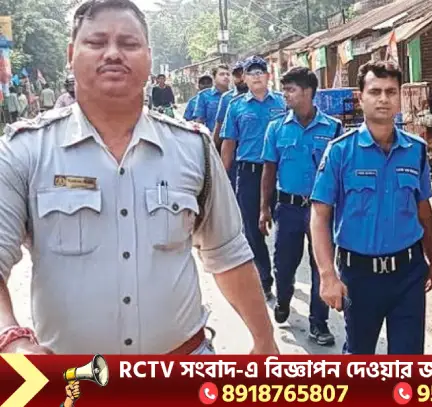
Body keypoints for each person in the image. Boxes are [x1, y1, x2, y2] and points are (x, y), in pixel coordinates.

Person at [0, 0, 279, 355]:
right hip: (72, 378)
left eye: (129, 44)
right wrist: (10, 338)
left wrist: (264, 340)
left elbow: (229, 254)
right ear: (71, 55)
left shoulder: (192, 147)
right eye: (96, 42)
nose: (113, 54)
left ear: (148, 56)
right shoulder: (24, 151)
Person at [310, 60, 432, 354]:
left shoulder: (416, 150)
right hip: (359, 276)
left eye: (391, 92)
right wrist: (327, 275)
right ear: (361, 98)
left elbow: (424, 210)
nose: (383, 99)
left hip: (408, 273)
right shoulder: (340, 151)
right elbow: (319, 215)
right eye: (375, 91)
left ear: (399, 96)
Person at [260, 67, 339, 346]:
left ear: (308, 92)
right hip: (288, 208)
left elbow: (340, 173)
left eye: (291, 90)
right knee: (284, 263)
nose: (285, 95)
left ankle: (319, 323)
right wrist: (264, 208)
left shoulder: (333, 129)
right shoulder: (276, 128)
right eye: (284, 90)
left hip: (322, 210)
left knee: (321, 265)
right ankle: (283, 299)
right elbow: (269, 170)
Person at [220, 55, 285, 300]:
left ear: (268, 76)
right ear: (244, 79)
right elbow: (229, 143)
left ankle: (283, 277)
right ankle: (264, 279)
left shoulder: (282, 103)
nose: (257, 76)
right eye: (251, 73)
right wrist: (223, 178)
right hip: (249, 173)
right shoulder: (236, 106)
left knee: (284, 228)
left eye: (260, 72)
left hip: (280, 173)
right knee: (252, 230)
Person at [213, 60, 249, 154]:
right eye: (237, 75)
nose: (241, 78)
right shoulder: (227, 98)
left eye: (243, 74)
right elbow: (219, 127)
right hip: (233, 152)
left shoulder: (261, 97)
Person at [193, 65, 230, 131]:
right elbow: (199, 121)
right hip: (211, 135)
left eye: (228, 74)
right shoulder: (204, 95)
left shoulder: (235, 95)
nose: (226, 76)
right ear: (214, 77)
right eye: (222, 74)